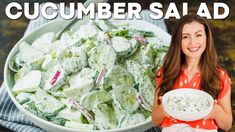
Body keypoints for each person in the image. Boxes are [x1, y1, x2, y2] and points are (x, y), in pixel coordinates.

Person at [151, 14, 232, 132]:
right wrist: (165, 108)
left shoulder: (220, 76)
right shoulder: (165, 73)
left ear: (206, 38)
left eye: (198, 35)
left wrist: (216, 111)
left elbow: (227, 125)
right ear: (178, 41)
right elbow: (155, 120)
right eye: (185, 37)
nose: (193, 42)